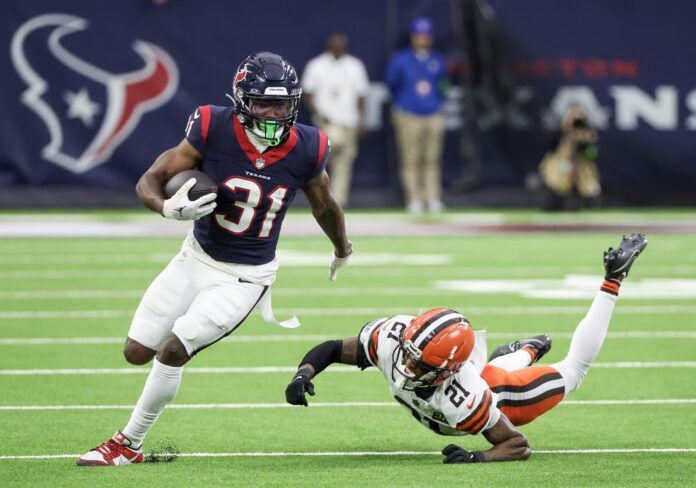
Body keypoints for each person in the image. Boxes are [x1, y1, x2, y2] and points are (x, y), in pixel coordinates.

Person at [77, 52, 353, 466]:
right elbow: (150, 179)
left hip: (244, 277)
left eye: (282, 104)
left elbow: (324, 205)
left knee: (173, 349)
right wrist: (165, 208)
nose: (274, 113)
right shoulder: (212, 126)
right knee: (136, 351)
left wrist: (341, 246)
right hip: (195, 257)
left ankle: (127, 444)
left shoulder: (308, 146)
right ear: (242, 100)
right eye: (264, 103)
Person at [285, 234, 648, 463]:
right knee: (492, 368)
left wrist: (478, 456)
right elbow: (333, 348)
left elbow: (517, 445)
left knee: (574, 371)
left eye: (419, 363)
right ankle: (523, 351)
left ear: (449, 370)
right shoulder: (392, 339)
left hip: (503, 394)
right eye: (409, 354)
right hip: (474, 372)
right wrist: (304, 374)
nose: (407, 365)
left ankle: (613, 279)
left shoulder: (468, 395)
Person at [385, 16, 449, 214]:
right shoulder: (401, 60)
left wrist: (437, 100)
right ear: (413, 37)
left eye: (426, 35)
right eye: (420, 35)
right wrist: (405, 103)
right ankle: (414, 199)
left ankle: (433, 198)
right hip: (408, 115)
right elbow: (391, 85)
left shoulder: (437, 60)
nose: (423, 38)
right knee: (410, 159)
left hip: (433, 114)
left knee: (432, 159)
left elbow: (444, 84)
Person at [302, 33, 370, 207]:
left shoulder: (355, 65)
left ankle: (339, 201)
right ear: (328, 45)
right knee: (322, 164)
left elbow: (361, 96)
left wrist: (362, 120)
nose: (338, 47)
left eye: (341, 44)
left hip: (349, 122)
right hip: (328, 122)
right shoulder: (317, 65)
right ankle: (321, 199)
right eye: (335, 44)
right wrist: (320, 114)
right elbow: (307, 94)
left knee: (344, 164)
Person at [539, 106, 601, 211]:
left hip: (582, 168)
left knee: (587, 188)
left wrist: (586, 140)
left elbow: (591, 154)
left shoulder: (587, 134)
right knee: (557, 184)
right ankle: (553, 205)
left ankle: (583, 205)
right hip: (561, 166)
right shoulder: (560, 133)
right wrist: (566, 130)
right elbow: (551, 147)